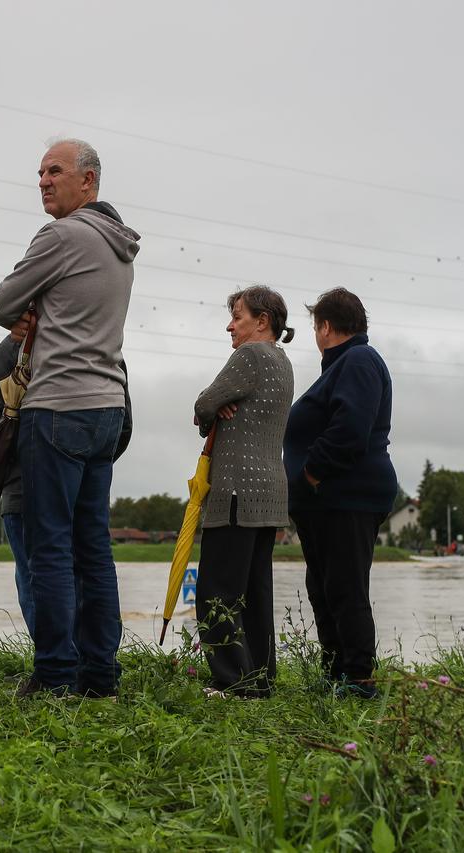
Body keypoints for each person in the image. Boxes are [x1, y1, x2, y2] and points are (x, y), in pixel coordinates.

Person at [0, 138, 139, 698]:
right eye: (40, 173)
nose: (44, 181)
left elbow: (2, 304)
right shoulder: (119, 246)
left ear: (89, 182)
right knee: (93, 548)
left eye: (55, 171)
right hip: (107, 407)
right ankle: (100, 674)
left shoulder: (62, 235)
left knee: (50, 547)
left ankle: (54, 675)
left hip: (57, 407)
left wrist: (31, 311)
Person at [0, 334, 134, 642]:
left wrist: (15, 470)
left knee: (37, 579)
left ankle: (55, 670)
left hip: (23, 491)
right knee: (89, 572)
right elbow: (121, 424)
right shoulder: (104, 346)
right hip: (81, 491)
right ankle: (94, 668)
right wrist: (85, 468)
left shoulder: (16, 346)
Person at [283, 288, 397, 698]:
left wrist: (312, 473)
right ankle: (335, 673)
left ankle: (359, 679)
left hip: (347, 496)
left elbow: (350, 428)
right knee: (325, 588)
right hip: (325, 502)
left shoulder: (359, 360)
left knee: (346, 588)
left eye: (316, 326)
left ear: (326, 327)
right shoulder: (340, 366)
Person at [192, 286, 295, 698]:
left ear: (262, 321)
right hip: (270, 493)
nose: (230, 325)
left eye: (238, 316)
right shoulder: (283, 362)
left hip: (237, 489)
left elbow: (203, 404)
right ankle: (259, 677)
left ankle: (232, 681)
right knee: (254, 592)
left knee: (217, 590)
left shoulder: (250, 356)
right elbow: (217, 407)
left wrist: (212, 407)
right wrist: (218, 407)